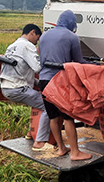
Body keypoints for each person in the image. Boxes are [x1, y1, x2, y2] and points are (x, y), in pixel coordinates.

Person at [38, 9, 92, 161]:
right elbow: (78, 61)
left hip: (44, 80)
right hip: (59, 82)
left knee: (53, 116)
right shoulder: (71, 36)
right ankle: (75, 152)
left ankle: (61, 148)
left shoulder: (44, 35)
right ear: (71, 23)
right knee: (68, 117)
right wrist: (95, 65)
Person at [0, 23, 51, 151]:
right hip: (17, 88)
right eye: (37, 38)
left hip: (6, 86)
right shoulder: (27, 46)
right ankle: (40, 142)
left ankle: (30, 133)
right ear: (32, 32)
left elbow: (20, 70)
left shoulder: (13, 45)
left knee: (36, 101)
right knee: (48, 105)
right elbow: (37, 68)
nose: (36, 42)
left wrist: (37, 83)